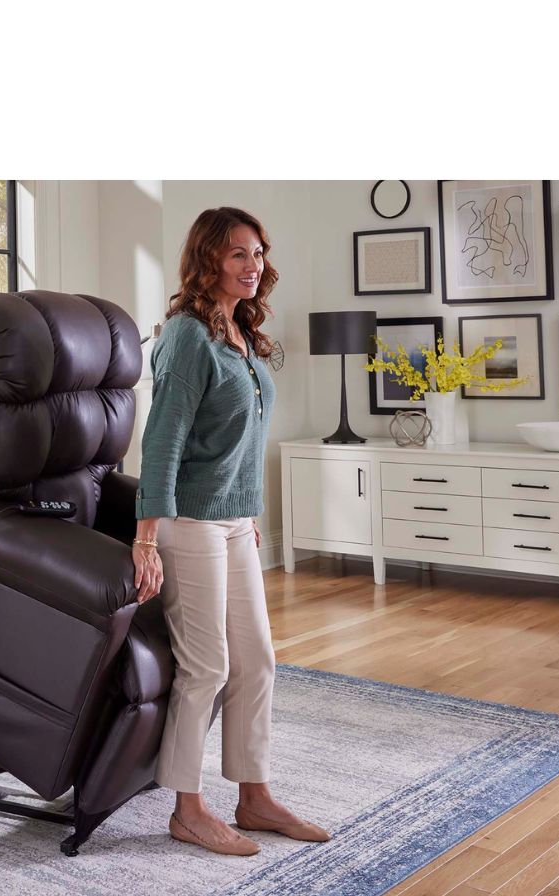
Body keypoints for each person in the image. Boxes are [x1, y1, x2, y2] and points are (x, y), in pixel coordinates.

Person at [133, 206, 331, 857]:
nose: (255, 267)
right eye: (240, 255)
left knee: (257, 661)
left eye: (259, 254)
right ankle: (188, 809)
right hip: (189, 521)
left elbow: (239, 442)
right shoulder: (188, 336)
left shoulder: (239, 332)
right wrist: (146, 539)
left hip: (235, 522)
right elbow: (162, 444)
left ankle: (254, 796)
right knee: (207, 665)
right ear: (210, 259)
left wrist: (245, 519)